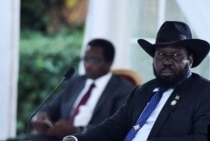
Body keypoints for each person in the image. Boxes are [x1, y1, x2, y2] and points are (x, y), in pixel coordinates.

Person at [62, 21, 210, 141]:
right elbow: (112, 127)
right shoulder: (142, 91)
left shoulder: (204, 90)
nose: (167, 61)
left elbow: (207, 137)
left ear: (190, 60)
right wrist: (77, 139)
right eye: (160, 54)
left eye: (176, 55)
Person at [7, 38, 136, 141]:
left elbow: (116, 127)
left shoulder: (123, 90)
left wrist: (77, 130)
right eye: (85, 59)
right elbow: (53, 107)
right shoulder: (75, 82)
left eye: (94, 60)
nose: (88, 65)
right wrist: (43, 116)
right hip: (57, 137)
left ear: (109, 62)